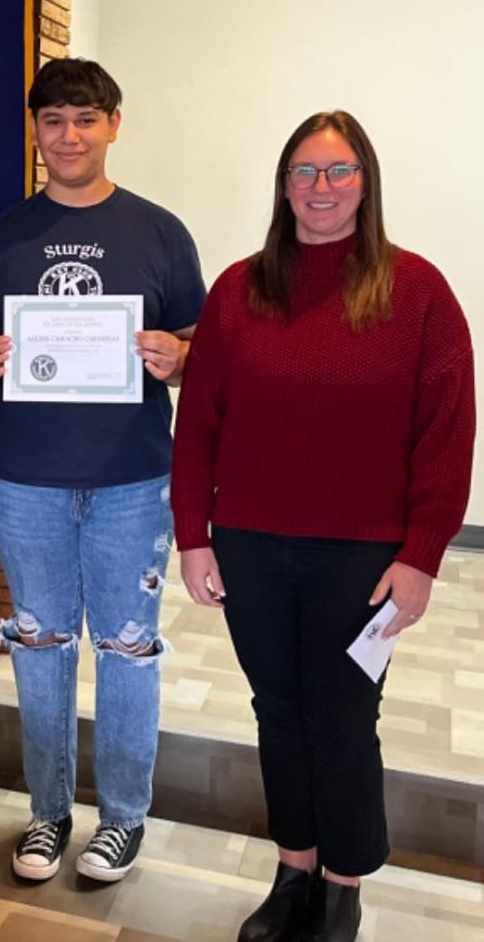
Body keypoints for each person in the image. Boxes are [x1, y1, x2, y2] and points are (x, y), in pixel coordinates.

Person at [172, 111, 475, 942]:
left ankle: (344, 885)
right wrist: (193, 534)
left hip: (363, 557)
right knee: (277, 709)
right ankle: (294, 870)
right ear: (283, 185)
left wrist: (420, 557)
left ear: (366, 183)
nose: (321, 189)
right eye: (304, 172)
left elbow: (447, 435)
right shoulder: (239, 289)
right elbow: (199, 421)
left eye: (339, 172)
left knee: (344, 715)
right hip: (252, 546)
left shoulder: (417, 292)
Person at [0, 58, 206, 883]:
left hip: (134, 480)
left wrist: (179, 357)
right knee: (41, 647)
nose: (69, 136)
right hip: (25, 479)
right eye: (54, 121)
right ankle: (48, 813)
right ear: (35, 131)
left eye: (85, 119)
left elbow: (199, 352)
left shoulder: (161, 232)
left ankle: (124, 818)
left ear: (114, 125)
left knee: (129, 650)